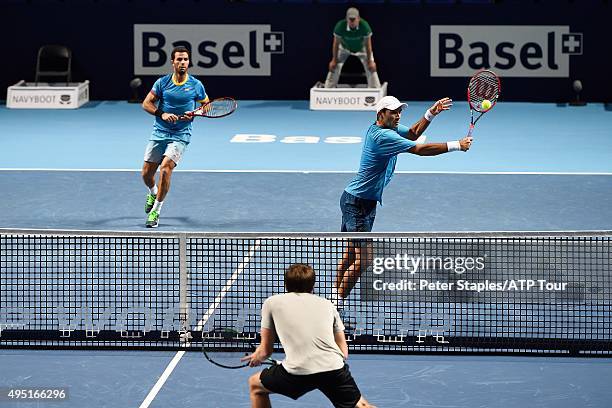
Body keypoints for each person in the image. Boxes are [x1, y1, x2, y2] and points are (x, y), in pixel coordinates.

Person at [331, 96, 472, 309]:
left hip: (360, 200)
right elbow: (419, 148)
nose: (397, 116)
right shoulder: (383, 136)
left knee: (352, 252)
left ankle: (333, 293)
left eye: (399, 112)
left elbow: (414, 133)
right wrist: (456, 145)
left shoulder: (387, 128)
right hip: (357, 203)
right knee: (365, 259)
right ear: (381, 114)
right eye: (393, 112)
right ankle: (335, 305)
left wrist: (431, 113)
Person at [245, 264, 376, 408]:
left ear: (286, 285)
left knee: (255, 386)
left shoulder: (271, 303)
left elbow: (265, 352)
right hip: (333, 368)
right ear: (313, 286)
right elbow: (343, 352)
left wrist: (257, 357)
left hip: (297, 371)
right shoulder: (328, 305)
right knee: (362, 405)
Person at [141, 46, 208, 228]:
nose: (182, 63)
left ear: (189, 62)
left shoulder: (196, 85)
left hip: (181, 134)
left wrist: (195, 113)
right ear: (172, 62)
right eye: (179, 60)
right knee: (146, 174)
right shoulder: (162, 83)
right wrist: (161, 113)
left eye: (185, 59)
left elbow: (206, 105)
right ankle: (153, 191)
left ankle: (156, 211)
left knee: (165, 169)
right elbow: (146, 104)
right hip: (159, 132)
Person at [325, 7, 382, 89]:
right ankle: (328, 90)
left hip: (362, 49)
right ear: (346, 19)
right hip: (344, 49)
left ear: (358, 18)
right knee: (333, 66)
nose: (352, 22)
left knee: (371, 67)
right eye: (350, 19)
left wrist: (370, 61)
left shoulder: (365, 26)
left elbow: (368, 45)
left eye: (354, 19)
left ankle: (375, 90)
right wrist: (334, 60)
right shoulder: (340, 26)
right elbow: (336, 44)